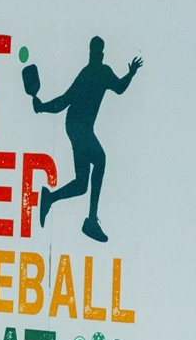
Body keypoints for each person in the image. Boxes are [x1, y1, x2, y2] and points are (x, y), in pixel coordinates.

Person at [34, 36, 141, 244]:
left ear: (99, 54)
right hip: (78, 128)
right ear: (94, 53)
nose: (94, 55)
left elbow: (118, 87)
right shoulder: (93, 72)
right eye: (93, 52)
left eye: (96, 52)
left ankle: (49, 198)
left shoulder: (98, 72)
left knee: (82, 184)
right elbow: (64, 101)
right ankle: (91, 220)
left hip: (76, 128)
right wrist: (43, 107)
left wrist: (131, 73)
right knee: (100, 159)